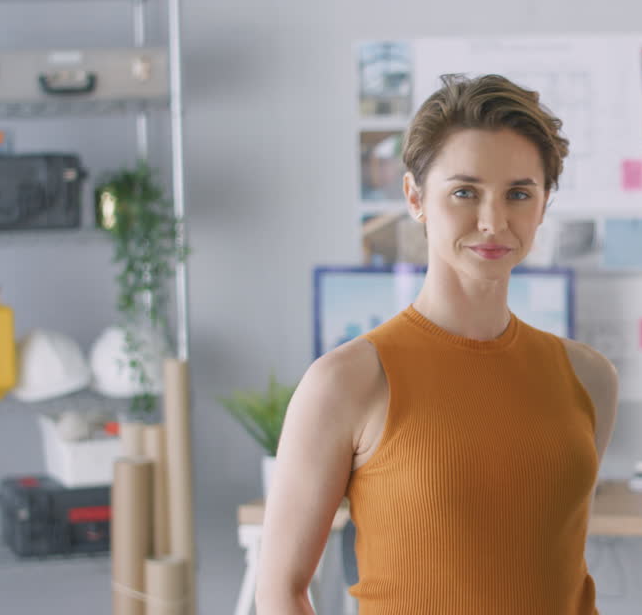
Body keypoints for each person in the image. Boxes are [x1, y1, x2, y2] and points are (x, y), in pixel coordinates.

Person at [256, 74, 619, 615]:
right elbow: (280, 591)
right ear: (414, 197)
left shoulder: (589, 379)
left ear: (543, 206)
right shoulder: (347, 382)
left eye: (518, 193)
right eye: (464, 192)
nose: (493, 222)